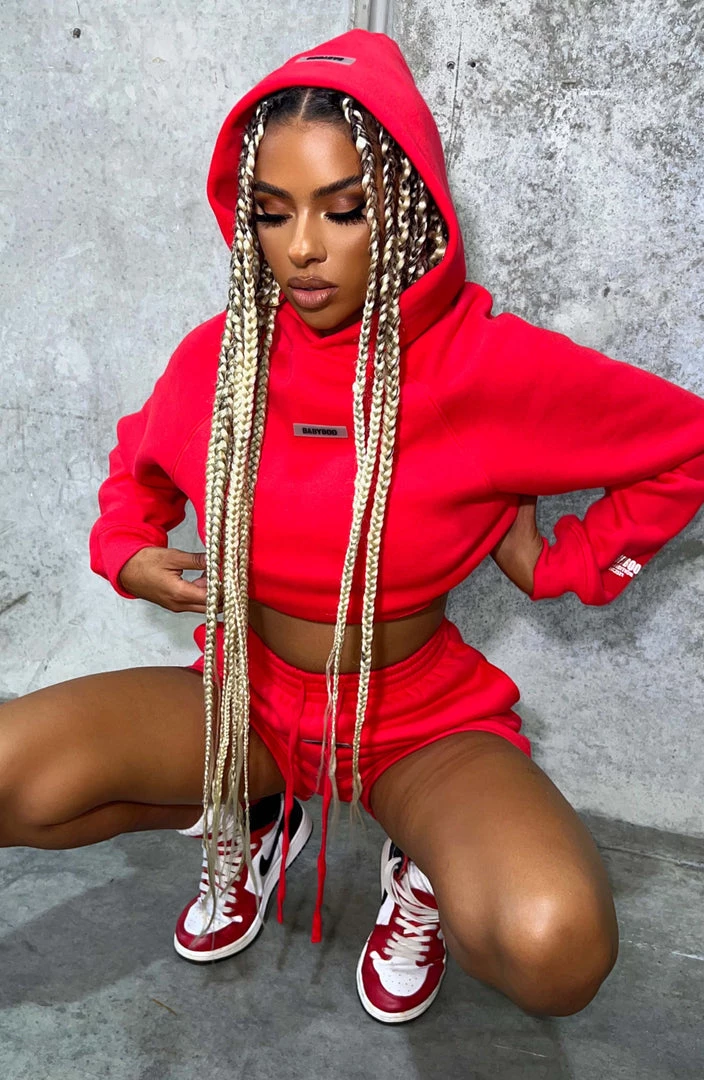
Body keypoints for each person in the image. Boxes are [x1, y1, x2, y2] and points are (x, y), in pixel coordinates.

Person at [2, 27, 704, 1028]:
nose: (301, 247)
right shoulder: (225, 357)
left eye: (342, 210)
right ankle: (254, 815)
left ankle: (423, 868)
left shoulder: (483, 365)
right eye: (271, 211)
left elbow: (684, 444)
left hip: (413, 719)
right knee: (14, 780)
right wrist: (128, 553)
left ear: (404, 206)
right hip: (247, 699)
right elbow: (138, 462)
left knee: (554, 949)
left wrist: (562, 563)